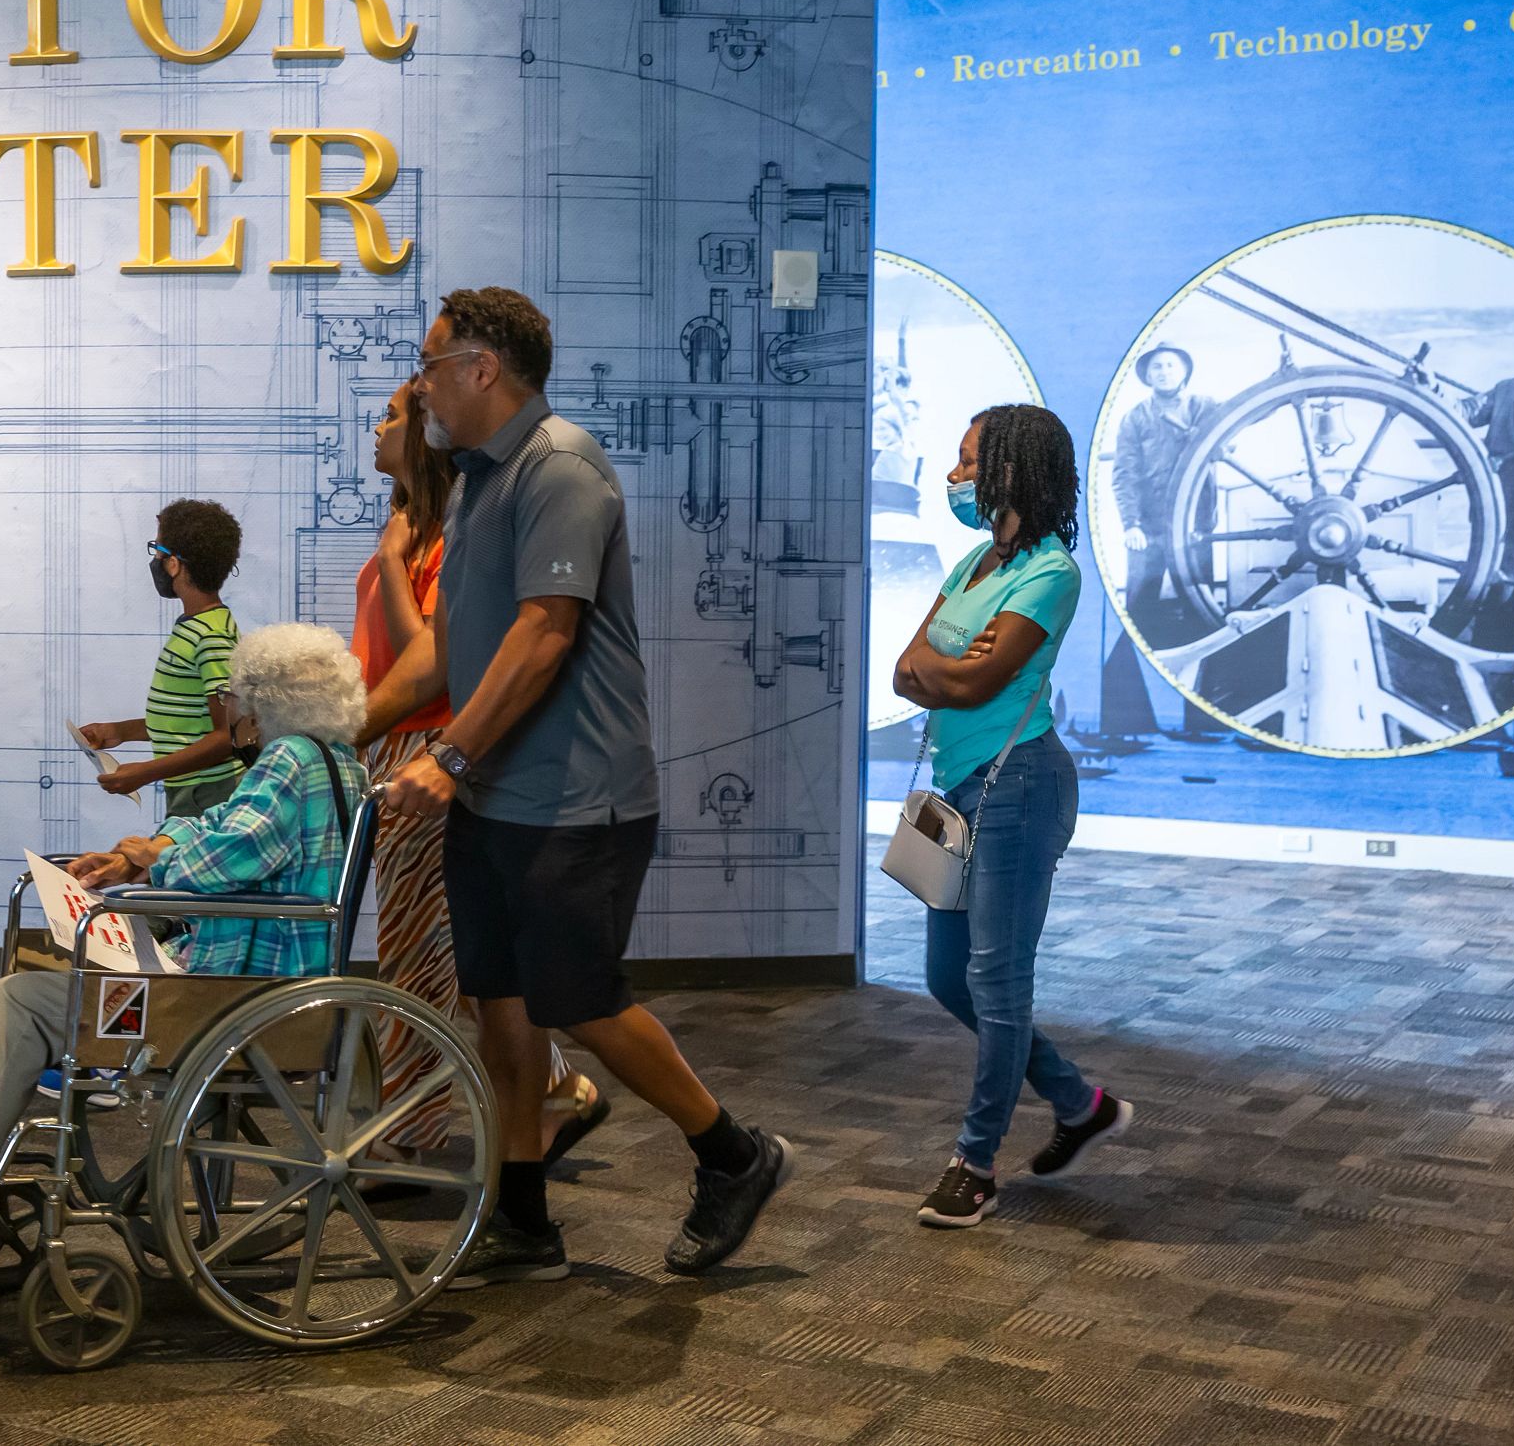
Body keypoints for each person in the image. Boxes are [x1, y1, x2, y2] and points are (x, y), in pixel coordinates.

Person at [363, 286, 791, 1286]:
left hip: (577, 799)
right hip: (495, 798)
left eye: (430, 367)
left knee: (582, 1003)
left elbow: (544, 632)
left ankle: (733, 1153)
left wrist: (447, 756)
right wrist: (339, 729)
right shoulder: (472, 483)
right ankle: (522, 1220)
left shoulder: (561, 466)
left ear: (482, 369)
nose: (420, 388)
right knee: (500, 1006)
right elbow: (443, 653)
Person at [0, 622, 370, 1267]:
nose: (230, 710)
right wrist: (145, 852)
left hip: (232, 1000)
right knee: (51, 986)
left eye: (234, 697)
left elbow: (223, 855)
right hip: (268, 988)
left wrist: (149, 856)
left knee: (23, 1002)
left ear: (263, 702)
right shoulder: (336, 763)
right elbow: (218, 828)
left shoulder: (287, 760)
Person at [351, 380, 608, 1166]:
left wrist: (392, 561)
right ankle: (556, 1085)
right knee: (451, 953)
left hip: (426, 745)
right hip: (398, 742)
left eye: (392, 415)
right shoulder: (418, 528)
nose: (379, 426)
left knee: (415, 950)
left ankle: (407, 1135)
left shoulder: (440, 538)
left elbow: (431, 658)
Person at [892, 404, 1133, 1229]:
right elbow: (904, 668)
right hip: (959, 788)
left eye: (968, 462)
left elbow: (970, 681)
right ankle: (1079, 1102)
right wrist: (942, 667)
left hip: (1019, 786)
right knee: (946, 977)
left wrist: (943, 668)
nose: (954, 476)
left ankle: (975, 1163)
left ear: (1008, 470)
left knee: (996, 980)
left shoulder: (1051, 572)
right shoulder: (975, 561)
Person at [78, 499, 246, 817]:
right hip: (194, 792)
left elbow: (226, 738)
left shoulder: (212, 637)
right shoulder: (199, 626)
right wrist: (120, 732)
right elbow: (189, 723)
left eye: (157, 550)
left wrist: (146, 772)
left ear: (173, 564)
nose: (155, 560)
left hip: (206, 798)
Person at [1110, 344, 1216, 649]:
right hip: (1148, 528)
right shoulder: (1135, 418)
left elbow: (1243, 414)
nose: (1164, 372)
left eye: (1171, 365)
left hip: (1196, 526)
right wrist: (1131, 524)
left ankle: (1204, 663)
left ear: (1184, 371)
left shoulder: (1205, 407)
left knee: (1201, 604)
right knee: (1140, 606)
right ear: (1147, 375)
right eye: (1157, 366)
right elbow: (1125, 474)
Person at [1462, 316, 1514, 653]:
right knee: (1502, 590)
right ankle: (1491, 667)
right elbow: (1463, 411)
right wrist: (1429, 388)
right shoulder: (1507, 390)